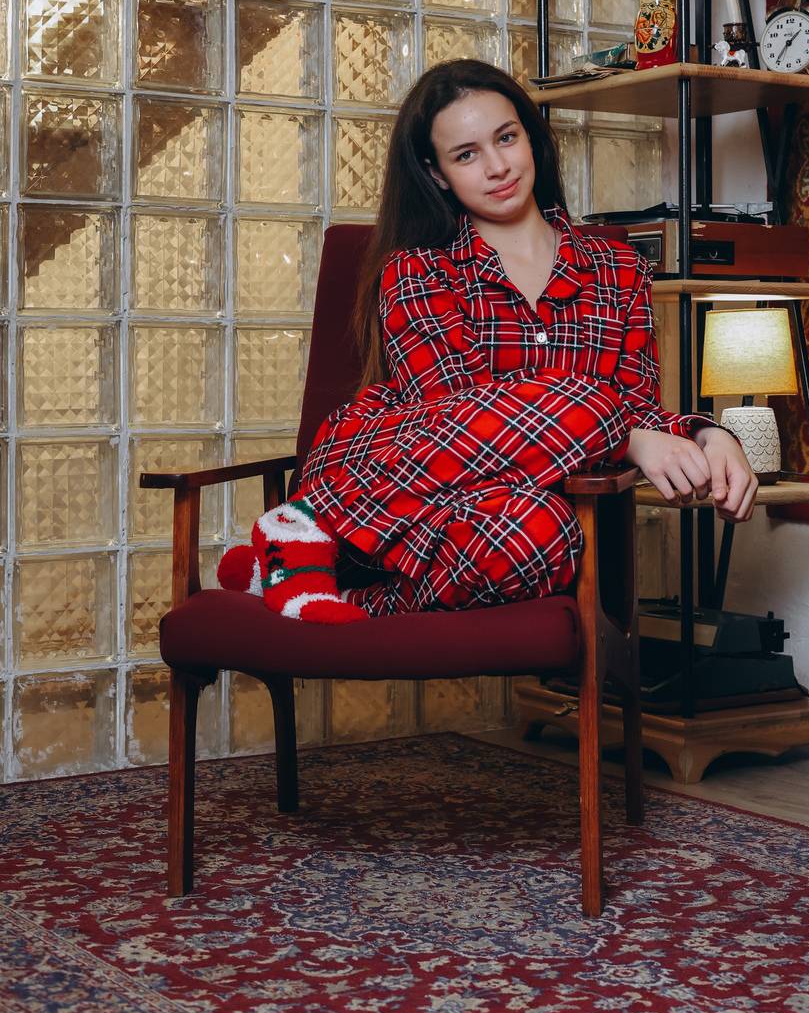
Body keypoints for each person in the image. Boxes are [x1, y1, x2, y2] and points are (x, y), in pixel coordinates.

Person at [218, 59, 757, 624]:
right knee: (590, 408)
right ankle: (314, 518)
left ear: (531, 137)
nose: (498, 167)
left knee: (546, 534)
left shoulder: (619, 269)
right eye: (466, 155)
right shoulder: (417, 271)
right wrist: (626, 435)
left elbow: (637, 406)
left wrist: (709, 433)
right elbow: (461, 418)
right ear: (437, 174)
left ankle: (325, 583)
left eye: (506, 138)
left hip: (507, 520)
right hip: (401, 488)